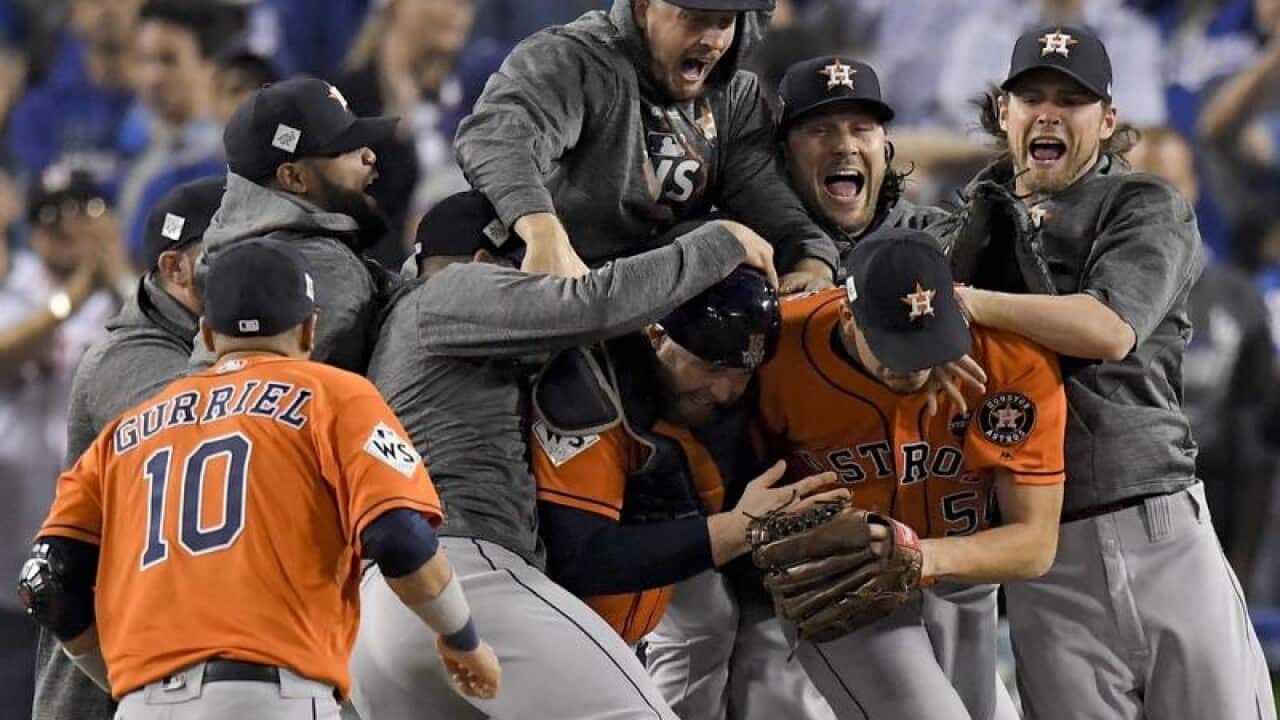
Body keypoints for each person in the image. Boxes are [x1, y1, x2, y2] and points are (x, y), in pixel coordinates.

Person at [19, 238, 500, 718]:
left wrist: (130, 683)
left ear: (206, 335)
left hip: (145, 703)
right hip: (269, 693)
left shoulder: (126, 430)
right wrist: (462, 638)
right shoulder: (334, 395)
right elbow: (399, 535)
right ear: (310, 329)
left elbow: (49, 582)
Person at [948, 25, 1275, 719]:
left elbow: (1107, 329)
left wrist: (971, 304)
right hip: (1043, 549)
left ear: (1107, 120)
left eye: (1072, 99)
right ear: (1003, 112)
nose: (1050, 112)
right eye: (1031, 95)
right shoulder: (971, 223)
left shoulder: (1145, 204)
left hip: (1157, 524)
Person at [351, 190, 777, 720]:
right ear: (489, 261)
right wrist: (718, 244)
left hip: (382, 611)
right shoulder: (454, 290)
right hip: (462, 569)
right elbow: (595, 304)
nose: (553, 278)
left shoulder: (405, 331)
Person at [747, 228, 1064, 720]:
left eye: (930, 341)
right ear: (847, 316)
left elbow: (1036, 544)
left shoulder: (1009, 357)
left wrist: (919, 556)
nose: (915, 365)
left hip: (963, 581)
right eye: (897, 346)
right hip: (844, 588)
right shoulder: (778, 349)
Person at [530, 267, 843, 646]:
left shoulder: (732, 393)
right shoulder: (589, 391)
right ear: (656, 334)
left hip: (651, 609)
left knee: (711, 619)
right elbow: (579, 558)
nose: (726, 390)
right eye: (710, 367)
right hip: (551, 628)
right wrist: (739, 529)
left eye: (741, 371)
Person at [454, 0, 839, 292]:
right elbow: (494, 137)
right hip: (552, 287)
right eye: (694, 18)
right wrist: (541, 230)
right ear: (642, 9)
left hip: (659, 310)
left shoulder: (734, 99)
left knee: (733, 252)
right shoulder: (573, 60)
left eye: (725, 22)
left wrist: (811, 261)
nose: (712, 40)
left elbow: (770, 203)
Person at [31, 175, 224, 720]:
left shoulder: (210, 343)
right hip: (103, 677)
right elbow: (207, 436)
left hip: (175, 660)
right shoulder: (128, 355)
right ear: (176, 269)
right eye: (227, 253)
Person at [0, 169, 123, 718]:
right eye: (51, 216)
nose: (68, 227)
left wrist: (113, 278)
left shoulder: (133, 300)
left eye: (84, 210)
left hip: (99, 547)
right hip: (11, 542)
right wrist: (77, 295)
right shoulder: (15, 290)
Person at [200, 75, 400, 374]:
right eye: (346, 148)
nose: (370, 155)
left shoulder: (240, 258)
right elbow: (254, 398)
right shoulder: (315, 267)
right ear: (293, 178)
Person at [776, 56, 945, 270]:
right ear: (785, 154)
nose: (846, 147)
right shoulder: (762, 251)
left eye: (861, 129)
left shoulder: (938, 237)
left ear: (885, 147)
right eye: (820, 131)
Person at [118, 0, 230, 264]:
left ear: (210, 67)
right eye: (145, 60)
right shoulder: (132, 156)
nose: (153, 76)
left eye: (169, 60)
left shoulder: (233, 157)